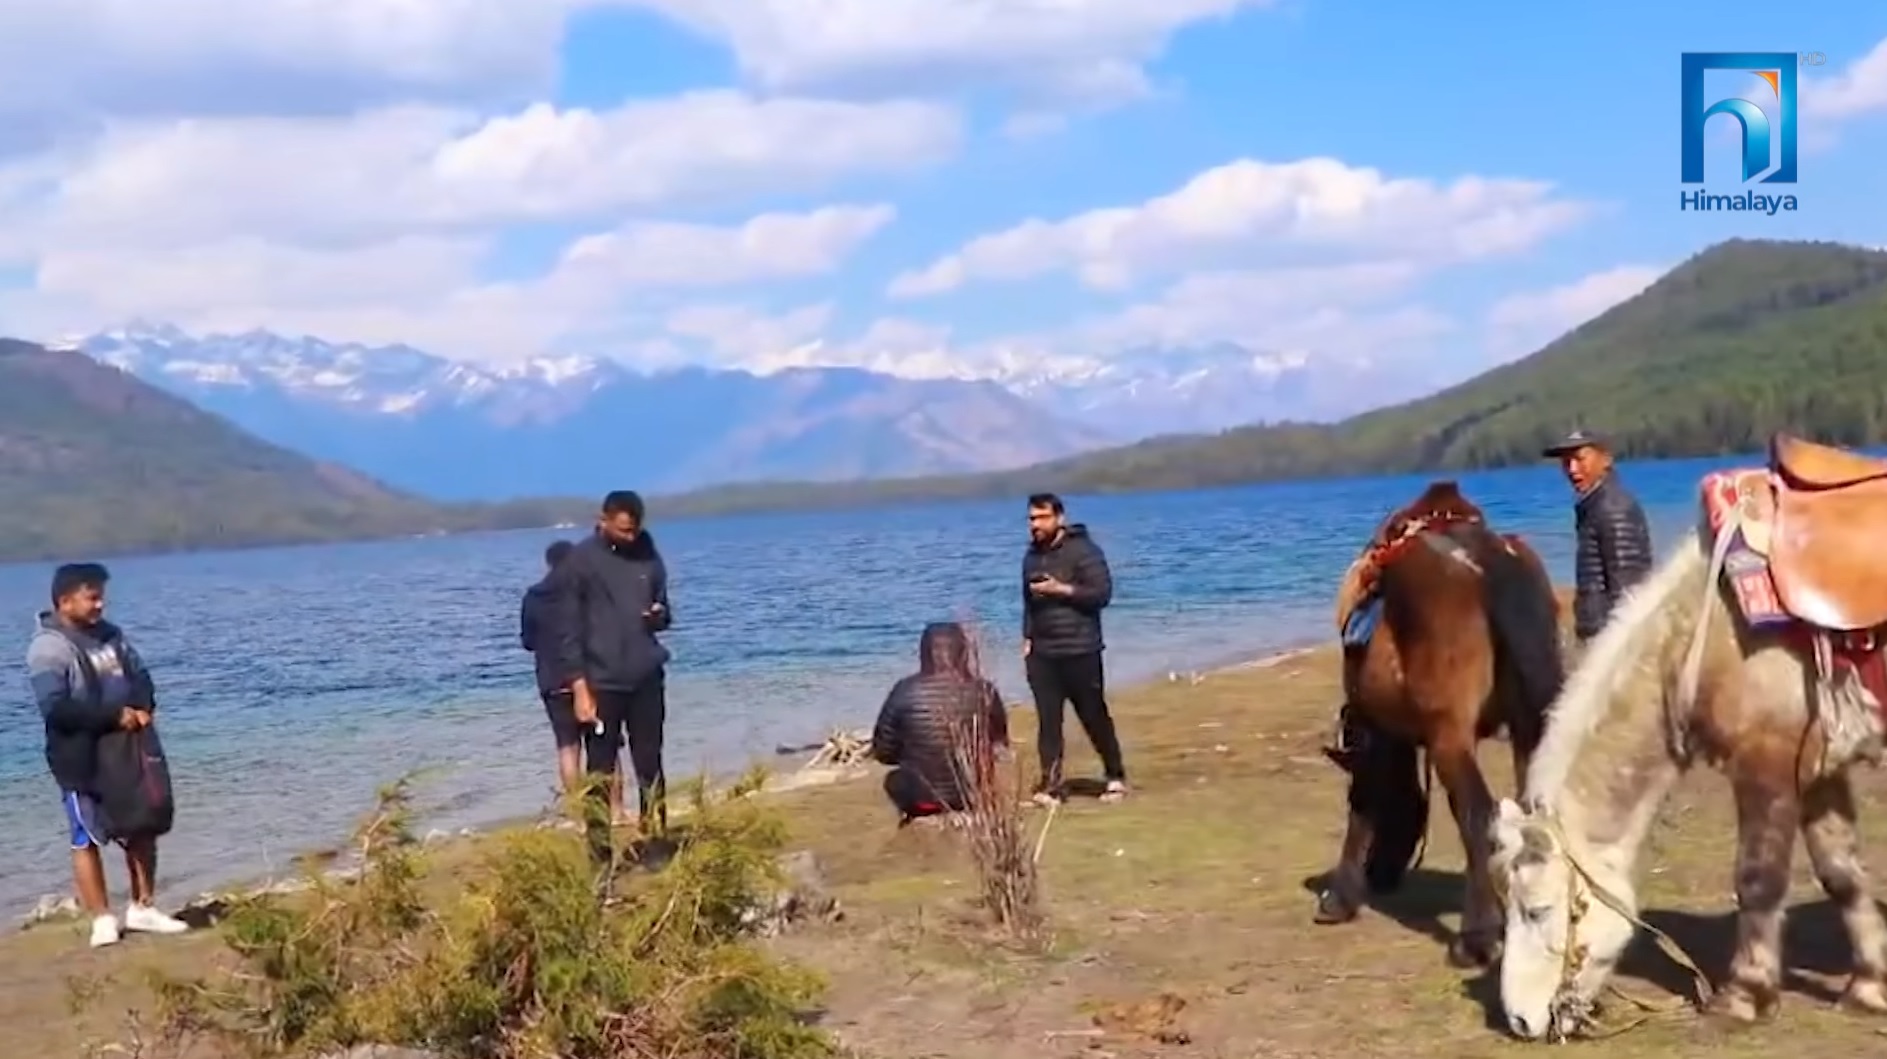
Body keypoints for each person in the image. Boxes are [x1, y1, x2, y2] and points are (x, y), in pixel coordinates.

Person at [25, 562, 190, 948]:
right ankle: (101, 917)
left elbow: (140, 676)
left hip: (128, 747)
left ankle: (143, 906)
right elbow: (56, 709)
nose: (100, 604)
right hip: (80, 755)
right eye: (91, 596)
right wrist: (114, 716)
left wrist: (143, 706)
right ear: (65, 601)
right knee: (86, 836)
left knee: (142, 825)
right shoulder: (48, 647)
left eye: (101, 596)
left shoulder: (112, 637)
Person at [548, 490, 673, 852]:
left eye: (634, 530)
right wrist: (580, 688)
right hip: (602, 681)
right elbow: (568, 631)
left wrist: (658, 616)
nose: (630, 537)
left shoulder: (650, 555)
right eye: (622, 530)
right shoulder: (581, 561)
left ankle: (654, 836)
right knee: (600, 769)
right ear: (603, 521)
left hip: (646, 675)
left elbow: (665, 609)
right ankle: (599, 847)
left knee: (650, 761)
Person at [1020, 492, 1127, 805]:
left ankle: (1115, 774)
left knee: (1093, 715)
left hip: (1081, 650)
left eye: (1041, 518)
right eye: (1031, 519)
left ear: (1059, 518)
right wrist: (1026, 637)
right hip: (1043, 653)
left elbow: (1101, 594)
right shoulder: (1031, 556)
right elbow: (1027, 601)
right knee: (1048, 721)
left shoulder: (1085, 552)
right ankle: (1050, 785)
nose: (1034, 525)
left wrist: (1060, 589)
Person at [869, 622, 1010, 825]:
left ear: (924, 653)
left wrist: (913, 752)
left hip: (922, 800)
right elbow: (999, 741)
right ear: (963, 652)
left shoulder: (904, 690)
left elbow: (883, 752)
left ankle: (918, 816)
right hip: (971, 795)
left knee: (894, 780)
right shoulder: (984, 690)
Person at [1543, 430, 1654, 644]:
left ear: (1605, 460)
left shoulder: (1613, 507)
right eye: (1566, 462)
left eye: (1579, 459)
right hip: (1598, 632)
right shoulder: (1594, 505)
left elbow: (1628, 586)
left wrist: (1614, 647)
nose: (1572, 469)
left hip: (1611, 639)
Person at [521, 539, 580, 796]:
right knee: (604, 746)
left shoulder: (533, 596)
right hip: (586, 677)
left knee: (567, 746)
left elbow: (528, 642)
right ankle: (616, 809)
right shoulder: (583, 593)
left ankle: (578, 812)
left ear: (548, 563)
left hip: (551, 679)